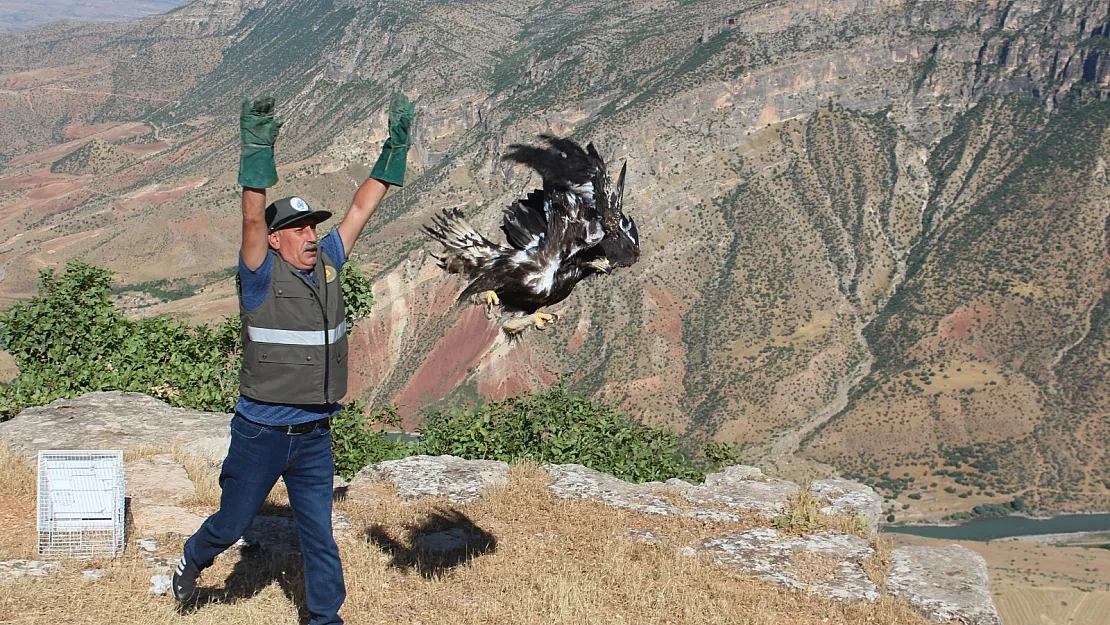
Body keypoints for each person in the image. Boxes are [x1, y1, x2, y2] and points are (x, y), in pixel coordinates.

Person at [171, 94, 414, 625]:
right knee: (232, 524)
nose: (312, 236)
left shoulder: (328, 261)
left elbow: (360, 209)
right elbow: (252, 215)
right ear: (277, 240)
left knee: (318, 533)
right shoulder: (259, 274)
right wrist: (258, 152)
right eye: (301, 230)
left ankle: (325, 619)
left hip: (313, 434)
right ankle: (192, 559)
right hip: (261, 433)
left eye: (313, 227)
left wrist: (392, 154)